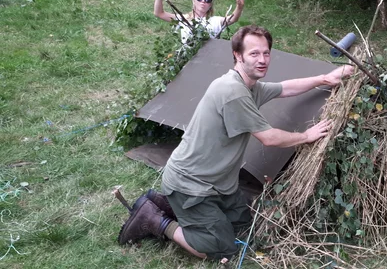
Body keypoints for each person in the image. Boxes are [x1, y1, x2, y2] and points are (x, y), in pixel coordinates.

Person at [118, 25, 354, 262]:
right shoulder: (233, 92)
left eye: (266, 53)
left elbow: (285, 88)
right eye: (254, 54)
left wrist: (325, 78)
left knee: (242, 224)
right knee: (220, 248)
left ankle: (166, 204)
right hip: (191, 184)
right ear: (237, 55)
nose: (262, 60)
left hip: (219, 183)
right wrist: (306, 136)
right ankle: (154, 219)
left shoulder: (249, 86)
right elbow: (268, 137)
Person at [154, 0, 246, 44]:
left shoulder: (215, 21)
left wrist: (239, 6)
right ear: (194, 1)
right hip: (187, 61)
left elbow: (233, 19)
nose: (203, 1)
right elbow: (159, 13)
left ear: (210, 5)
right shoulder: (184, 19)